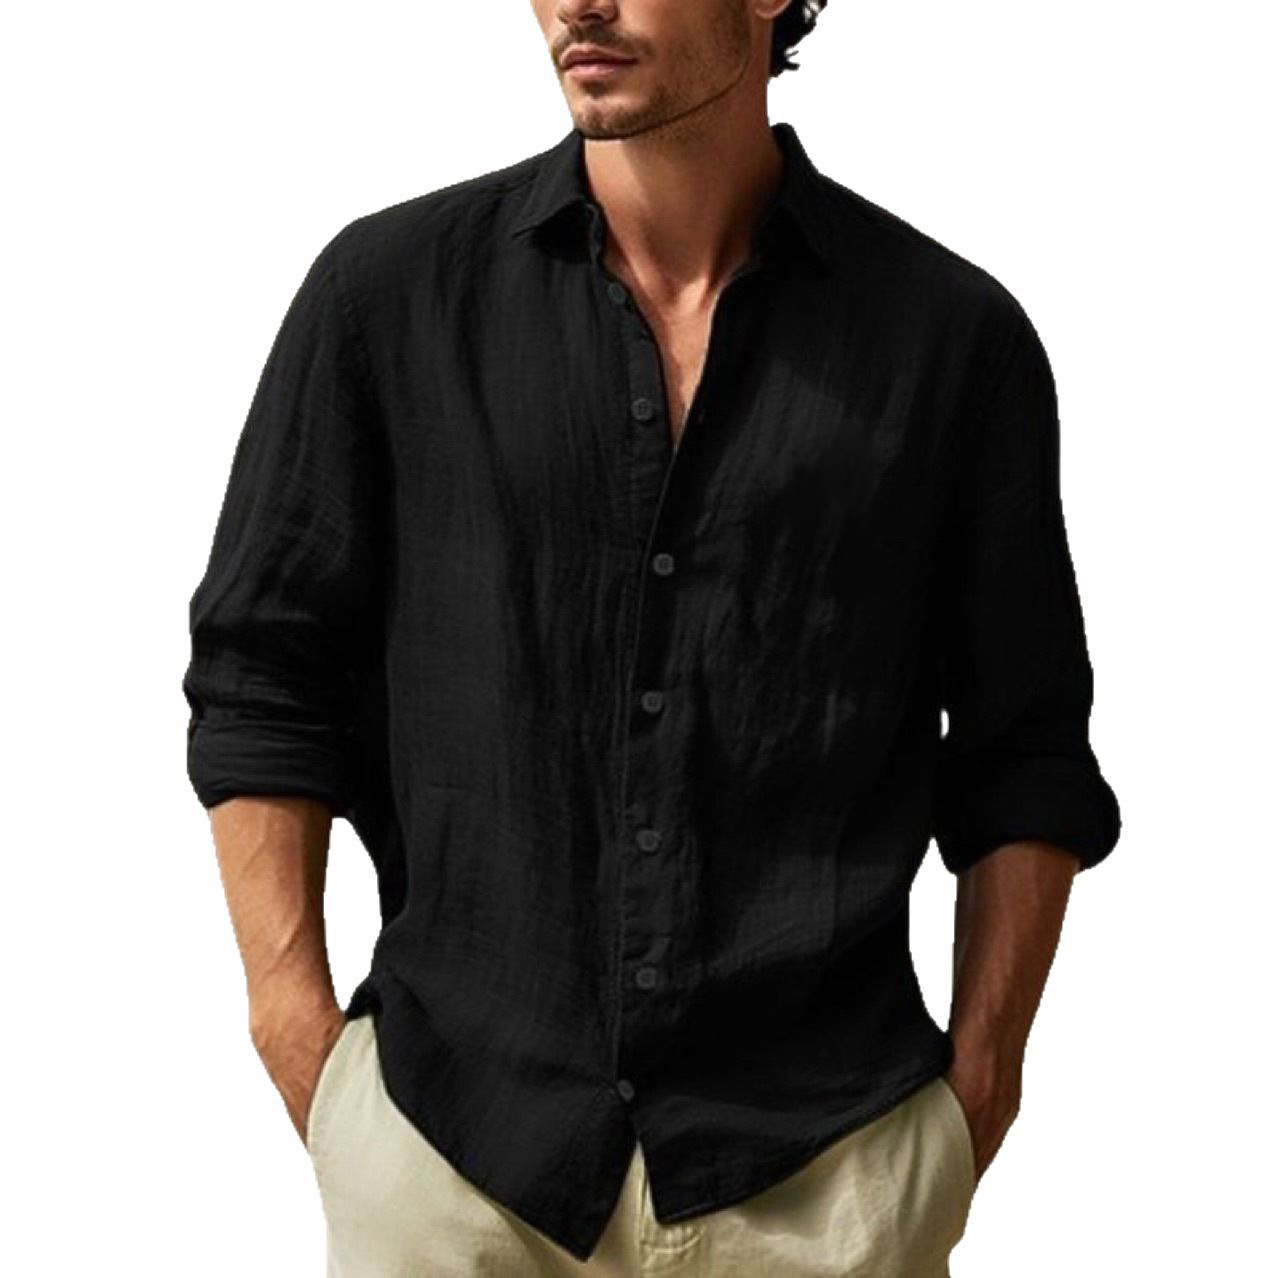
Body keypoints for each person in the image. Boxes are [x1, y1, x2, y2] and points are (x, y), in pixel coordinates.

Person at [181, 1, 1122, 1273]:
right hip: (450, 1159)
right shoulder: (387, 300)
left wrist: (980, 1086)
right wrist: (298, 1037)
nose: (579, 2)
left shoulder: (951, 343)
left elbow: (1026, 747)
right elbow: (263, 678)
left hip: (824, 1177)